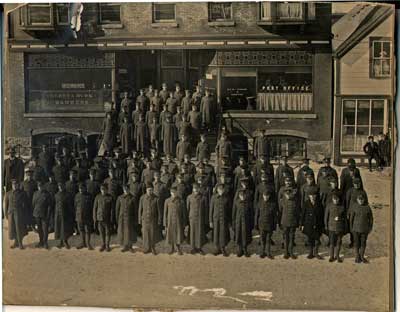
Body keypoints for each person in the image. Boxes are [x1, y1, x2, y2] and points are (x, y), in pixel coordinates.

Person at [349, 194, 373, 264]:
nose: (361, 201)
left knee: (363, 243)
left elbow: (371, 219)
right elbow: (351, 219)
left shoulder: (367, 208)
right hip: (355, 229)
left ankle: (362, 256)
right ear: (357, 200)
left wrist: (370, 227)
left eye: (362, 199)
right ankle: (357, 256)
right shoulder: (354, 207)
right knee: (356, 243)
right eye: (359, 199)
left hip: (364, 230)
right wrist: (351, 228)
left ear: (364, 200)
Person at [300, 189, 324, 259]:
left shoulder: (319, 204)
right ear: (309, 196)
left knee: (317, 240)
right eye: (311, 196)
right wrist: (302, 224)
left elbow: (322, 215)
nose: (312, 197)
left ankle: (316, 253)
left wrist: (322, 225)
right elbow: (303, 214)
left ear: (316, 196)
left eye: (314, 195)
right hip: (309, 224)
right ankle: (310, 253)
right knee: (310, 239)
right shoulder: (306, 203)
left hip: (317, 224)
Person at [163, 187, 188, 255]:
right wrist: (165, 223)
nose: (174, 193)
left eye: (175, 192)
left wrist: (184, 223)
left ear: (177, 192)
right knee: (171, 235)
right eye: (172, 192)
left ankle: (178, 248)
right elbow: (165, 213)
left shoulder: (181, 201)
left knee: (178, 235)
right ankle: (172, 248)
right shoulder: (167, 201)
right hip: (170, 221)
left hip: (178, 221)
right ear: (170, 193)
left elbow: (184, 213)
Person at [4, 180, 28, 249]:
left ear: (18, 185)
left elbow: (25, 204)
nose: (14, 185)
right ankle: (15, 242)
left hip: (19, 212)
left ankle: (20, 243)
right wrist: (6, 214)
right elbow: (6, 205)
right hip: (10, 213)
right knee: (12, 228)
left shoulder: (22, 193)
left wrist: (24, 212)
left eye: (16, 184)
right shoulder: (8, 193)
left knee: (19, 227)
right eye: (13, 184)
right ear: (12, 185)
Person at [139, 183, 162, 255]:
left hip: (153, 220)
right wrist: (139, 219)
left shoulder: (156, 198)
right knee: (145, 234)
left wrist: (159, 220)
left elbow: (159, 211)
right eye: (149, 190)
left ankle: (152, 248)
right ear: (146, 190)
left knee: (152, 234)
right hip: (145, 219)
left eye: (151, 190)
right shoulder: (142, 198)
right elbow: (140, 209)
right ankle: (146, 248)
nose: (150, 191)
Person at [254, 188, 277, 259]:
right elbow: (257, 215)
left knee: (268, 239)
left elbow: (274, 216)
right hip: (261, 224)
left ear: (269, 196)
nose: (266, 197)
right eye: (264, 195)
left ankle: (268, 252)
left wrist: (274, 226)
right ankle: (262, 252)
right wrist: (256, 224)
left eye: (267, 195)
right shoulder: (259, 203)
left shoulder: (273, 204)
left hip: (269, 224)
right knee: (262, 239)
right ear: (262, 196)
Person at [210, 184, 231, 256]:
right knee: (216, 234)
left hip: (224, 219)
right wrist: (210, 221)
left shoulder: (227, 198)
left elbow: (229, 210)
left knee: (223, 234)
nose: (221, 191)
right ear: (217, 190)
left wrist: (229, 221)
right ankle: (217, 248)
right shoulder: (213, 198)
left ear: (224, 190)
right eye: (219, 189)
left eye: (222, 189)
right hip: (216, 219)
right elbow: (211, 210)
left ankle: (223, 248)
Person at [325, 191, 346, 262]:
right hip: (331, 227)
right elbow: (326, 217)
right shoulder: (329, 206)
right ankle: (331, 256)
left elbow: (345, 218)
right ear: (332, 199)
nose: (335, 200)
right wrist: (326, 226)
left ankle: (337, 256)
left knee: (338, 242)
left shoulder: (342, 207)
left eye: (337, 199)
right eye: (334, 199)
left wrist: (340, 220)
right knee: (332, 243)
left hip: (340, 228)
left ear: (339, 199)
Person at [116, 184, 138, 252]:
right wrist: (117, 218)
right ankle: (125, 246)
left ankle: (130, 246)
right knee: (123, 232)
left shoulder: (133, 198)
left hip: (130, 218)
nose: (126, 191)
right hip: (122, 218)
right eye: (124, 189)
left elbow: (135, 210)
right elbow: (117, 209)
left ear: (129, 189)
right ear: (123, 190)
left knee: (130, 232)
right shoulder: (120, 198)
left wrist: (135, 219)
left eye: (127, 189)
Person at [186, 183, 207, 254]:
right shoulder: (189, 197)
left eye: (197, 188)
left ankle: (199, 248)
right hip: (192, 218)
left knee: (199, 233)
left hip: (200, 218)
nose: (196, 190)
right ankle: (193, 248)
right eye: (195, 188)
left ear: (199, 189)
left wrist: (205, 219)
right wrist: (188, 218)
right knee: (192, 233)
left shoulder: (203, 198)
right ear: (192, 189)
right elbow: (187, 209)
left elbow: (205, 209)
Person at [279, 188, 300, 259]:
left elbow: (297, 212)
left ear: (291, 194)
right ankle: (286, 252)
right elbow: (280, 211)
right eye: (286, 194)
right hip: (284, 221)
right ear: (284, 194)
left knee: (291, 238)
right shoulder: (282, 201)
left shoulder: (295, 201)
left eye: (289, 194)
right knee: (285, 238)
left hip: (292, 222)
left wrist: (297, 222)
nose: (288, 196)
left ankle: (291, 252)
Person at [232, 189, 253, 257]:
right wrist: (234, 223)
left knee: (245, 236)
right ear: (239, 196)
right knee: (239, 236)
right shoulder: (236, 203)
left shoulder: (248, 203)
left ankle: (245, 249)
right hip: (238, 223)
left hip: (246, 223)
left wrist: (251, 224)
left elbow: (251, 214)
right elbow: (234, 214)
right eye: (241, 196)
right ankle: (240, 250)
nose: (242, 197)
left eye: (243, 195)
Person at [93, 184, 114, 252]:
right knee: (101, 232)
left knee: (107, 232)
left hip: (107, 218)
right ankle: (103, 244)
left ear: (107, 190)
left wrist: (111, 218)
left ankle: (107, 245)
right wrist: (95, 218)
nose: (103, 191)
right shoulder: (97, 197)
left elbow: (112, 209)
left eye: (104, 189)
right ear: (100, 190)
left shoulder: (110, 197)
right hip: (99, 218)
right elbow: (95, 208)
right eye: (102, 189)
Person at [32, 181, 52, 249]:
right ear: (38, 187)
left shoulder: (47, 194)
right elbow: (33, 204)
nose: (40, 187)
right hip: (37, 214)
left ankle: (45, 242)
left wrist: (48, 215)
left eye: (41, 186)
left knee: (45, 229)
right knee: (39, 229)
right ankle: (41, 242)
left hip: (44, 214)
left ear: (43, 186)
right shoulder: (35, 193)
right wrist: (34, 213)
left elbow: (49, 206)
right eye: (39, 186)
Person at [54, 182, 74, 249]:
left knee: (65, 229)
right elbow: (55, 205)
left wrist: (70, 214)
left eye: (62, 186)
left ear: (64, 186)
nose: (60, 188)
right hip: (58, 214)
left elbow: (70, 206)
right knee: (59, 228)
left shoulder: (68, 195)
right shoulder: (56, 195)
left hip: (65, 214)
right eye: (59, 186)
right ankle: (61, 242)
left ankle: (65, 241)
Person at [74, 183, 93, 250]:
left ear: (85, 188)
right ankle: (83, 243)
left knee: (87, 230)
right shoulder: (77, 196)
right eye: (79, 188)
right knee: (81, 230)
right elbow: (75, 206)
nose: (81, 190)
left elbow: (91, 206)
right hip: (79, 216)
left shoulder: (89, 195)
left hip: (87, 216)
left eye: (82, 188)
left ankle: (88, 243)